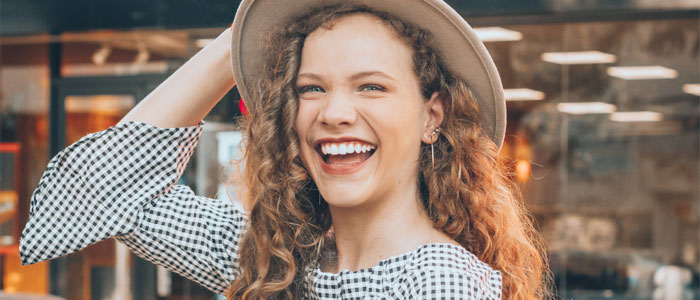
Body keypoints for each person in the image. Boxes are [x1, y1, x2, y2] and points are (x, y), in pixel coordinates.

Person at [19, 1, 551, 299]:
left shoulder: (441, 281)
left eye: (371, 86)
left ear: (431, 116)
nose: (334, 112)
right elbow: (94, 189)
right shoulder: (276, 261)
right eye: (310, 88)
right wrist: (236, 45)